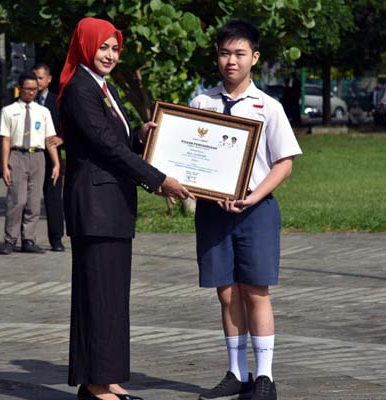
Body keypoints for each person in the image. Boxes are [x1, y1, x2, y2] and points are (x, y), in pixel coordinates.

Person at [57, 17, 191, 400]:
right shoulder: (79, 88)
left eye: (115, 48)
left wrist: (140, 136)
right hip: (95, 208)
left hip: (113, 207)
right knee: (98, 296)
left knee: (113, 298)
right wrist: (157, 178)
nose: (110, 55)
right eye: (103, 47)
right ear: (86, 46)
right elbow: (104, 147)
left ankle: (108, 376)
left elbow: (117, 141)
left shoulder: (103, 87)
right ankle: (95, 385)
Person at [189, 21, 302, 400]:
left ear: (254, 57)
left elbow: (284, 162)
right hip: (213, 211)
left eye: (239, 54)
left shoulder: (268, 107)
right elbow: (188, 157)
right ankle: (237, 372)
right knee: (225, 293)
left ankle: (265, 377)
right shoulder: (201, 104)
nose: (231, 61)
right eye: (224, 53)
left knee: (256, 290)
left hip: (256, 210)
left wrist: (253, 197)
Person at [0, 72, 60, 255]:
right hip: (17, 156)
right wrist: (4, 165)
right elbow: (6, 139)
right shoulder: (9, 111)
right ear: (20, 89)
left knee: (33, 202)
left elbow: (50, 139)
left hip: (37, 156)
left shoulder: (43, 112)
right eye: (28, 89)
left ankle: (29, 239)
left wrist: (56, 163)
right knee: (17, 200)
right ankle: (10, 238)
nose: (32, 93)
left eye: (35, 89)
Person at [32, 62, 65, 252]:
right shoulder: (27, 102)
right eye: (34, 77)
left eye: (40, 78)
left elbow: (68, 125)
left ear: (49, 79)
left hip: (51, 156)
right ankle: (26, 237)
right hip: (31, 155)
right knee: (28, 199)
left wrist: (62, 138)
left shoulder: (57, 101)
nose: (37, 82)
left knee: (53, 198)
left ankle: (56, 238)